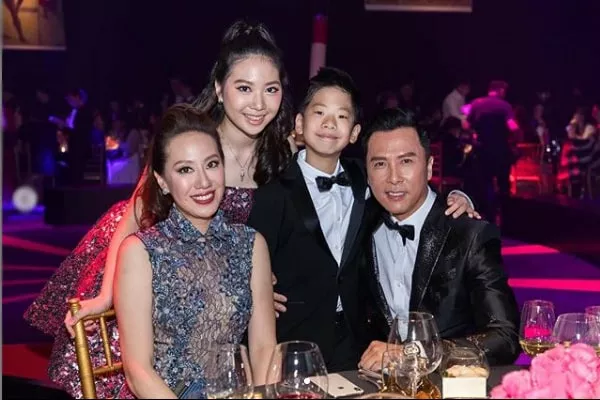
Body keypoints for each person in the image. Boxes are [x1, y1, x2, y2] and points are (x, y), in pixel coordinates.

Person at [24, 19, 293, 398]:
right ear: (219, 88)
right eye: (244, 88)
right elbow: (134, 214)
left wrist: (257, 286)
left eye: (271, 89)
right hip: (160, 271)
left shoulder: (283, 150)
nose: (259, 104)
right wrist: (106, 295)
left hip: (218, 281)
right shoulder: (192, 141)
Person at [248, 67, 479, 372]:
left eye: (342, 116)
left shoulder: (365, 177)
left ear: (354, 132)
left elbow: (407, 188)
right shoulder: (272, 194)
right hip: (296, 338)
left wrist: (457, 197)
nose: (330, 123)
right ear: (300, 124)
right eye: (320, 112)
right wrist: (258, 288)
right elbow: (251, 260)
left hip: (356, 341)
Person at [114, 105, 275, 398]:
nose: (203, 182)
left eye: (211, 164)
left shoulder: (251, 244)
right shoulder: (141, 251)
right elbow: (138, 371)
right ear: (162, 181)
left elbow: (264, 348)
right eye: (185, 169)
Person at [357, 108, 520, 370]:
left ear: (429, 166)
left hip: (449, 383)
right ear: (367, 173)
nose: (394, 178)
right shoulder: (362, 226)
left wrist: (414, 353)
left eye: (406, 161)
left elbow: (504, 337)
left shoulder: (469, 234)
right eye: (380, 164)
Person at [465, 80, 519, 222]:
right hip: (501, 150)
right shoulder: (505, 106)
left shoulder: (476, 103)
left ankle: (488, 215)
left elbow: (466, 124)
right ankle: (507, 216)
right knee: (503, 183)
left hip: (482, 150)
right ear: (500, 91)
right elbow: (513, 127)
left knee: (485, 182)